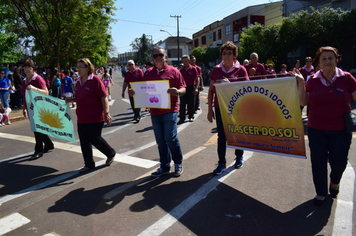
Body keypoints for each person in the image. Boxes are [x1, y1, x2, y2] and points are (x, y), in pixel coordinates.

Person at [295, 46, 356, 206]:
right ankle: (321, 192)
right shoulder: (312, 80)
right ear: (319, 63)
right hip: (316, 129)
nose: (328, 61)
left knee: (339, 161)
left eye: (331, 58)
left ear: (337, 60)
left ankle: (334, 182)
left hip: (341, 129)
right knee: (318, 161)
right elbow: (303, 102)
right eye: (324, 59)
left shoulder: (347, 78)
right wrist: (301, 83)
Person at [129, 46, 186, 177]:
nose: (158, 57)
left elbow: (183, 88)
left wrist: (177, 92)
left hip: (170, 109)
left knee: (170, 137)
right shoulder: (148, 73)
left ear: (165, 57)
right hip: (155, 112)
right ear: (152, 59)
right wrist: (134, 93)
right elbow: (143, 90)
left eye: (160, 55)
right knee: (160, 141)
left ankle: (178, 163)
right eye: (155, 56)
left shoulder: (174, 71)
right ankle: (165, 166)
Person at [65, 58, 116, 173]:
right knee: (84, 141)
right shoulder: (78, 81)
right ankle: (88, 164)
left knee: (94, 138)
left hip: (96, 116)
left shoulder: (95, 80)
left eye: (81, 67)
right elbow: (79, 98)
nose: (78, 69)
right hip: (82, 117)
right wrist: (71, 99)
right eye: (77, 67)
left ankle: (110, 153)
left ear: (88, 68)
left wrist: (107, 113)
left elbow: (104, 97)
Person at [207, 41, 249, 175]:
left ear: (234, 55)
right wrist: (209, 110)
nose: (226, 56)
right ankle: (221, 163)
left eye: (229, 53)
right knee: (222, 136)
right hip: (220, 107)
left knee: (237, 133)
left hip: (236, 109)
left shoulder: (241, 69)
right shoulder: (216, 69)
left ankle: (239, 156)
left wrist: (229, 83)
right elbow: (211, 90)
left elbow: (247, 89)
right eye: (224, 53)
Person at [21, 59, 54, 160]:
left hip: (39, 107)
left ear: (33, 68)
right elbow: (24, 96)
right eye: (25, 67)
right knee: (39, 128)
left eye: (29, 67)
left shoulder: (38, 79)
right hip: (30, 108)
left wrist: (34, 88)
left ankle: (38, 150)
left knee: (37, 129)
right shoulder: (25, 80)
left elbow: (46, 92)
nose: (26, 69)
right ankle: (48, 144)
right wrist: (24, 108)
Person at [178, 55, 199, 124]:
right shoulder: (181, 70)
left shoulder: (193, 69)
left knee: (191, 103)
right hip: (183, 88)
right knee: (182, 104)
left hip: (191, 88)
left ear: (189, 61)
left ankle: (191, 116)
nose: (185, 62)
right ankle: (182, 118)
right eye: (183, 61)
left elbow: (197, 78)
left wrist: (196, 88)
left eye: (186, 61)